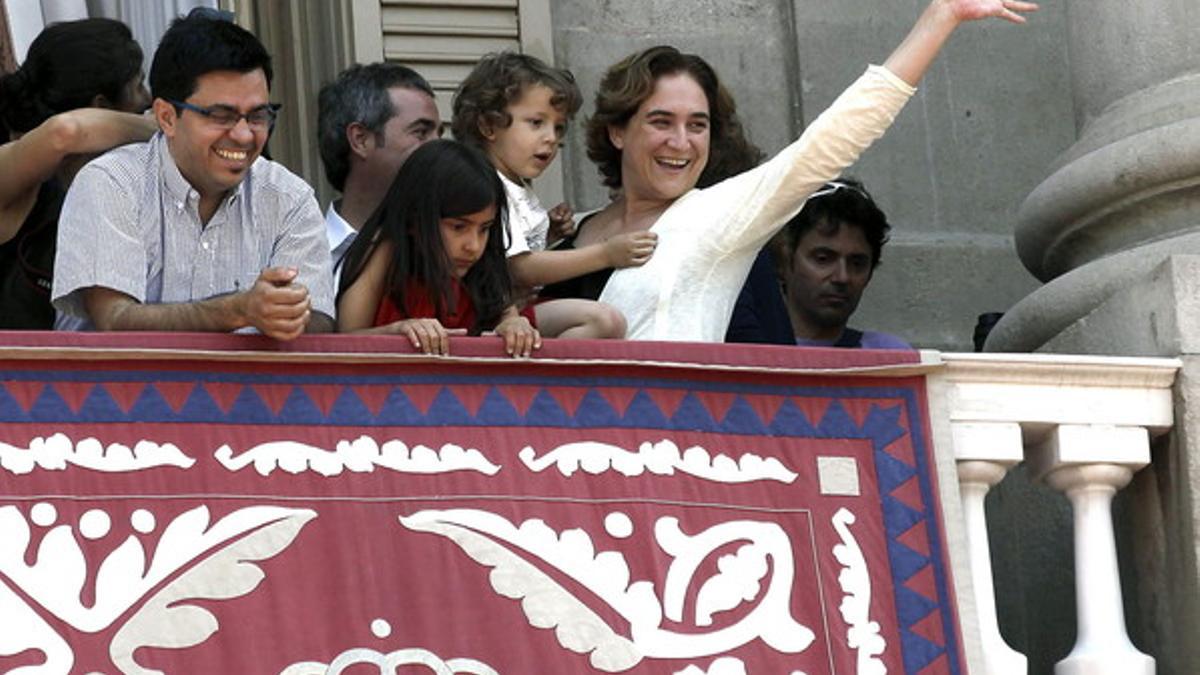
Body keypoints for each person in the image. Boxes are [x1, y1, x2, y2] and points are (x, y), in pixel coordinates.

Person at [544, 0, 1036, 342]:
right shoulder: (564, 235)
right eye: (660, 122)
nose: (681, 142)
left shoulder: (718, 215)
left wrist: (939, 18)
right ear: (616, 131)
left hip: (658, 457)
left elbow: (831, 141)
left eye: (698, 125)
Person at [51, 12, 335, 339]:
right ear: (167, 117)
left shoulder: (289, 198)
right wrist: (237, 310)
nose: (244, 135)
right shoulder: (112, 182)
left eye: (258, 116)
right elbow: (114, 319)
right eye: (221, 115)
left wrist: (289, 312)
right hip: (117, 389)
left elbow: (319, 322)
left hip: (243, 390)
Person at [451, 52, 643, 339]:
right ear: (488, 126)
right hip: (491, 317)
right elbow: (519, 269)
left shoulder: (515, 183)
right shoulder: (491, 186)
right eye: (536, 123)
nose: (551, 138)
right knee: (604, 321)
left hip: (515, 312)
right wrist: (606, 254)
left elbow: (506, 248)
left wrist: (549, 234)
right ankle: (538, 382)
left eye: (559, 127)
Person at [0, 18, 154, 329]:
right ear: (100, 107)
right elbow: (65, 132)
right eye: (138, 84)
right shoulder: (12, 173)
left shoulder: (120, 181)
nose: (148, 98)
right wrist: (162, 127)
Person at [337, 139, 540, 358]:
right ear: (416, 219)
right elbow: (345, 341)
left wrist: (514, 326)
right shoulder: (384, 249)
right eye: (458, 226)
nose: (474, 246)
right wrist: (397, 332)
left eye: (485, 229)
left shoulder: (484, 263)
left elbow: (506, 315)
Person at [317, 62, 441, 276]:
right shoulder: (302, 260)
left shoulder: (455, 249)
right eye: (421, 133)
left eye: (439, 134)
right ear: (361, 139)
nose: (439, 147)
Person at [777, 178, 910, 349]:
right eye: (823, 259)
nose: (842, 277)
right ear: (784, 261)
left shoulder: (891, 358)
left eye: (857, 264)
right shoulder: (743, 355)